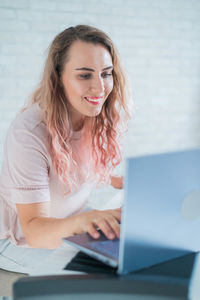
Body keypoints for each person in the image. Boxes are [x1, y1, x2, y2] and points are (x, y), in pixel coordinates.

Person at [0, 25, 132, 271]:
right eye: (84, 75)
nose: (100, 87)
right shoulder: (29, 133)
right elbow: (34, 232)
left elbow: (75, 168)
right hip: (18, 240)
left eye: (106, 73)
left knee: (133, 243)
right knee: (103, 272)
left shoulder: (93, 115)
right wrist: (85, 221)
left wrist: (124, 181)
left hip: (69, 220)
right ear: (58, 78)